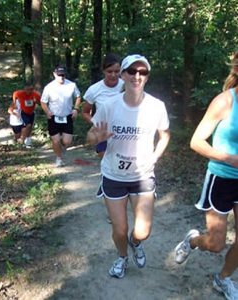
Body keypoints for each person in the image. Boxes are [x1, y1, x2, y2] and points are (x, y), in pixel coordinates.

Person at [86, 54, 170, 279]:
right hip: (113, 174)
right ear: (122, 75)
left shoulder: (156, 106)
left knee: (143, 230)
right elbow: (90, 136)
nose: (137, 76)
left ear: (147, 76)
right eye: (131, 71)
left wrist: (155, 157)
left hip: (142, 175)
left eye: (142, 72)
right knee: (120, 229)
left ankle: (135, 243)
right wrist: (96, 137)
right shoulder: (109, 105)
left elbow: (164, 135)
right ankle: (122, 257)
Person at [174, 52, 238, 299]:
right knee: (216, 244)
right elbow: (196, 141)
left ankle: (222, 279)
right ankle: (192, 241)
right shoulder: (225, 101)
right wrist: (229, 158)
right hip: (221, 179)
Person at [82, 53, 124, 157]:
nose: (113, 75)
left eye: (117, 71)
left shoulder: (126, 86)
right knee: (106, 159)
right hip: (103, 132)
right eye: (109, 71)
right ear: (103, 70)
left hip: (124, 131)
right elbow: (85, 112)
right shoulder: (94, 90)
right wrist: (95, 123)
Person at [41, 65, 81, 167]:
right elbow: (43, 102)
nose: (61, 77)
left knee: (67, 141)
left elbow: (78, 96)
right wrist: (47, 112)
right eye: (59, 75)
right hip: (54, 117)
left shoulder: (71, 85)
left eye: (63, 75)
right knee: (55, 140)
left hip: (67, 116)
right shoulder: (49, 87)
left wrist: (76, 109)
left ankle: (61, 148)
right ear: (54, 75)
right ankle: (59, 158)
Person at [12, 83, 41, 148]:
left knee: (30, 127)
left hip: (31, 113)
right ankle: (21, 139)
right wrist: (14, 102)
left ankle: (28, 142)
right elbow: (14, 94)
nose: (29, 91)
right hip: (24, 113)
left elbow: (41, 103)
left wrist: (36, 101)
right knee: (28, 125)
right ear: (24, 89)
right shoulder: (19, 93)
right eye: (27, 90)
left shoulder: (35, 94)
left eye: (31, 90)